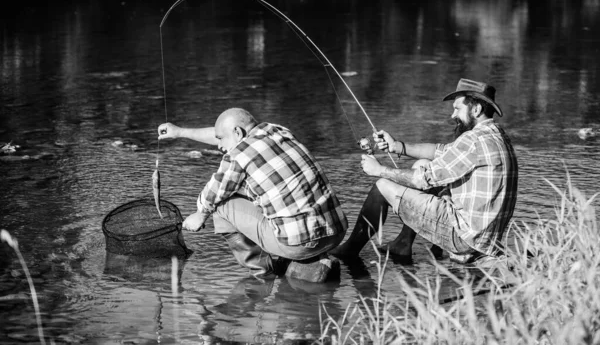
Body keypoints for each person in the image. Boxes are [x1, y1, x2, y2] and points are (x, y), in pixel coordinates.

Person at [329, 78, 518, 264]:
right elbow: (440, 151)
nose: (453, 115)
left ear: (476, 109)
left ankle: (350, 250)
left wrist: (379, 170)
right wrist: (397, 146)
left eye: (457, 108)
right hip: (486, 239)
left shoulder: (473, 140)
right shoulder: (497, 136)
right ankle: (403, 243)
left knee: (382, 186)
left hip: (466, 239)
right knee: (422, 163)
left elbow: (422, 179)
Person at [157, 108, 348, 282]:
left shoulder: (238, 156)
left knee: (220, 205)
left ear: (238, 133)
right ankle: (310, 261)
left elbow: (213, 194)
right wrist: (179, 132)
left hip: (299, 243)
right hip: (336, 231)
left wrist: (199, 214)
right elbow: (225, 136)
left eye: (221, 140)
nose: (219, 146)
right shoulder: (278, 131)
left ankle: (264, 273)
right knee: (262, 191)